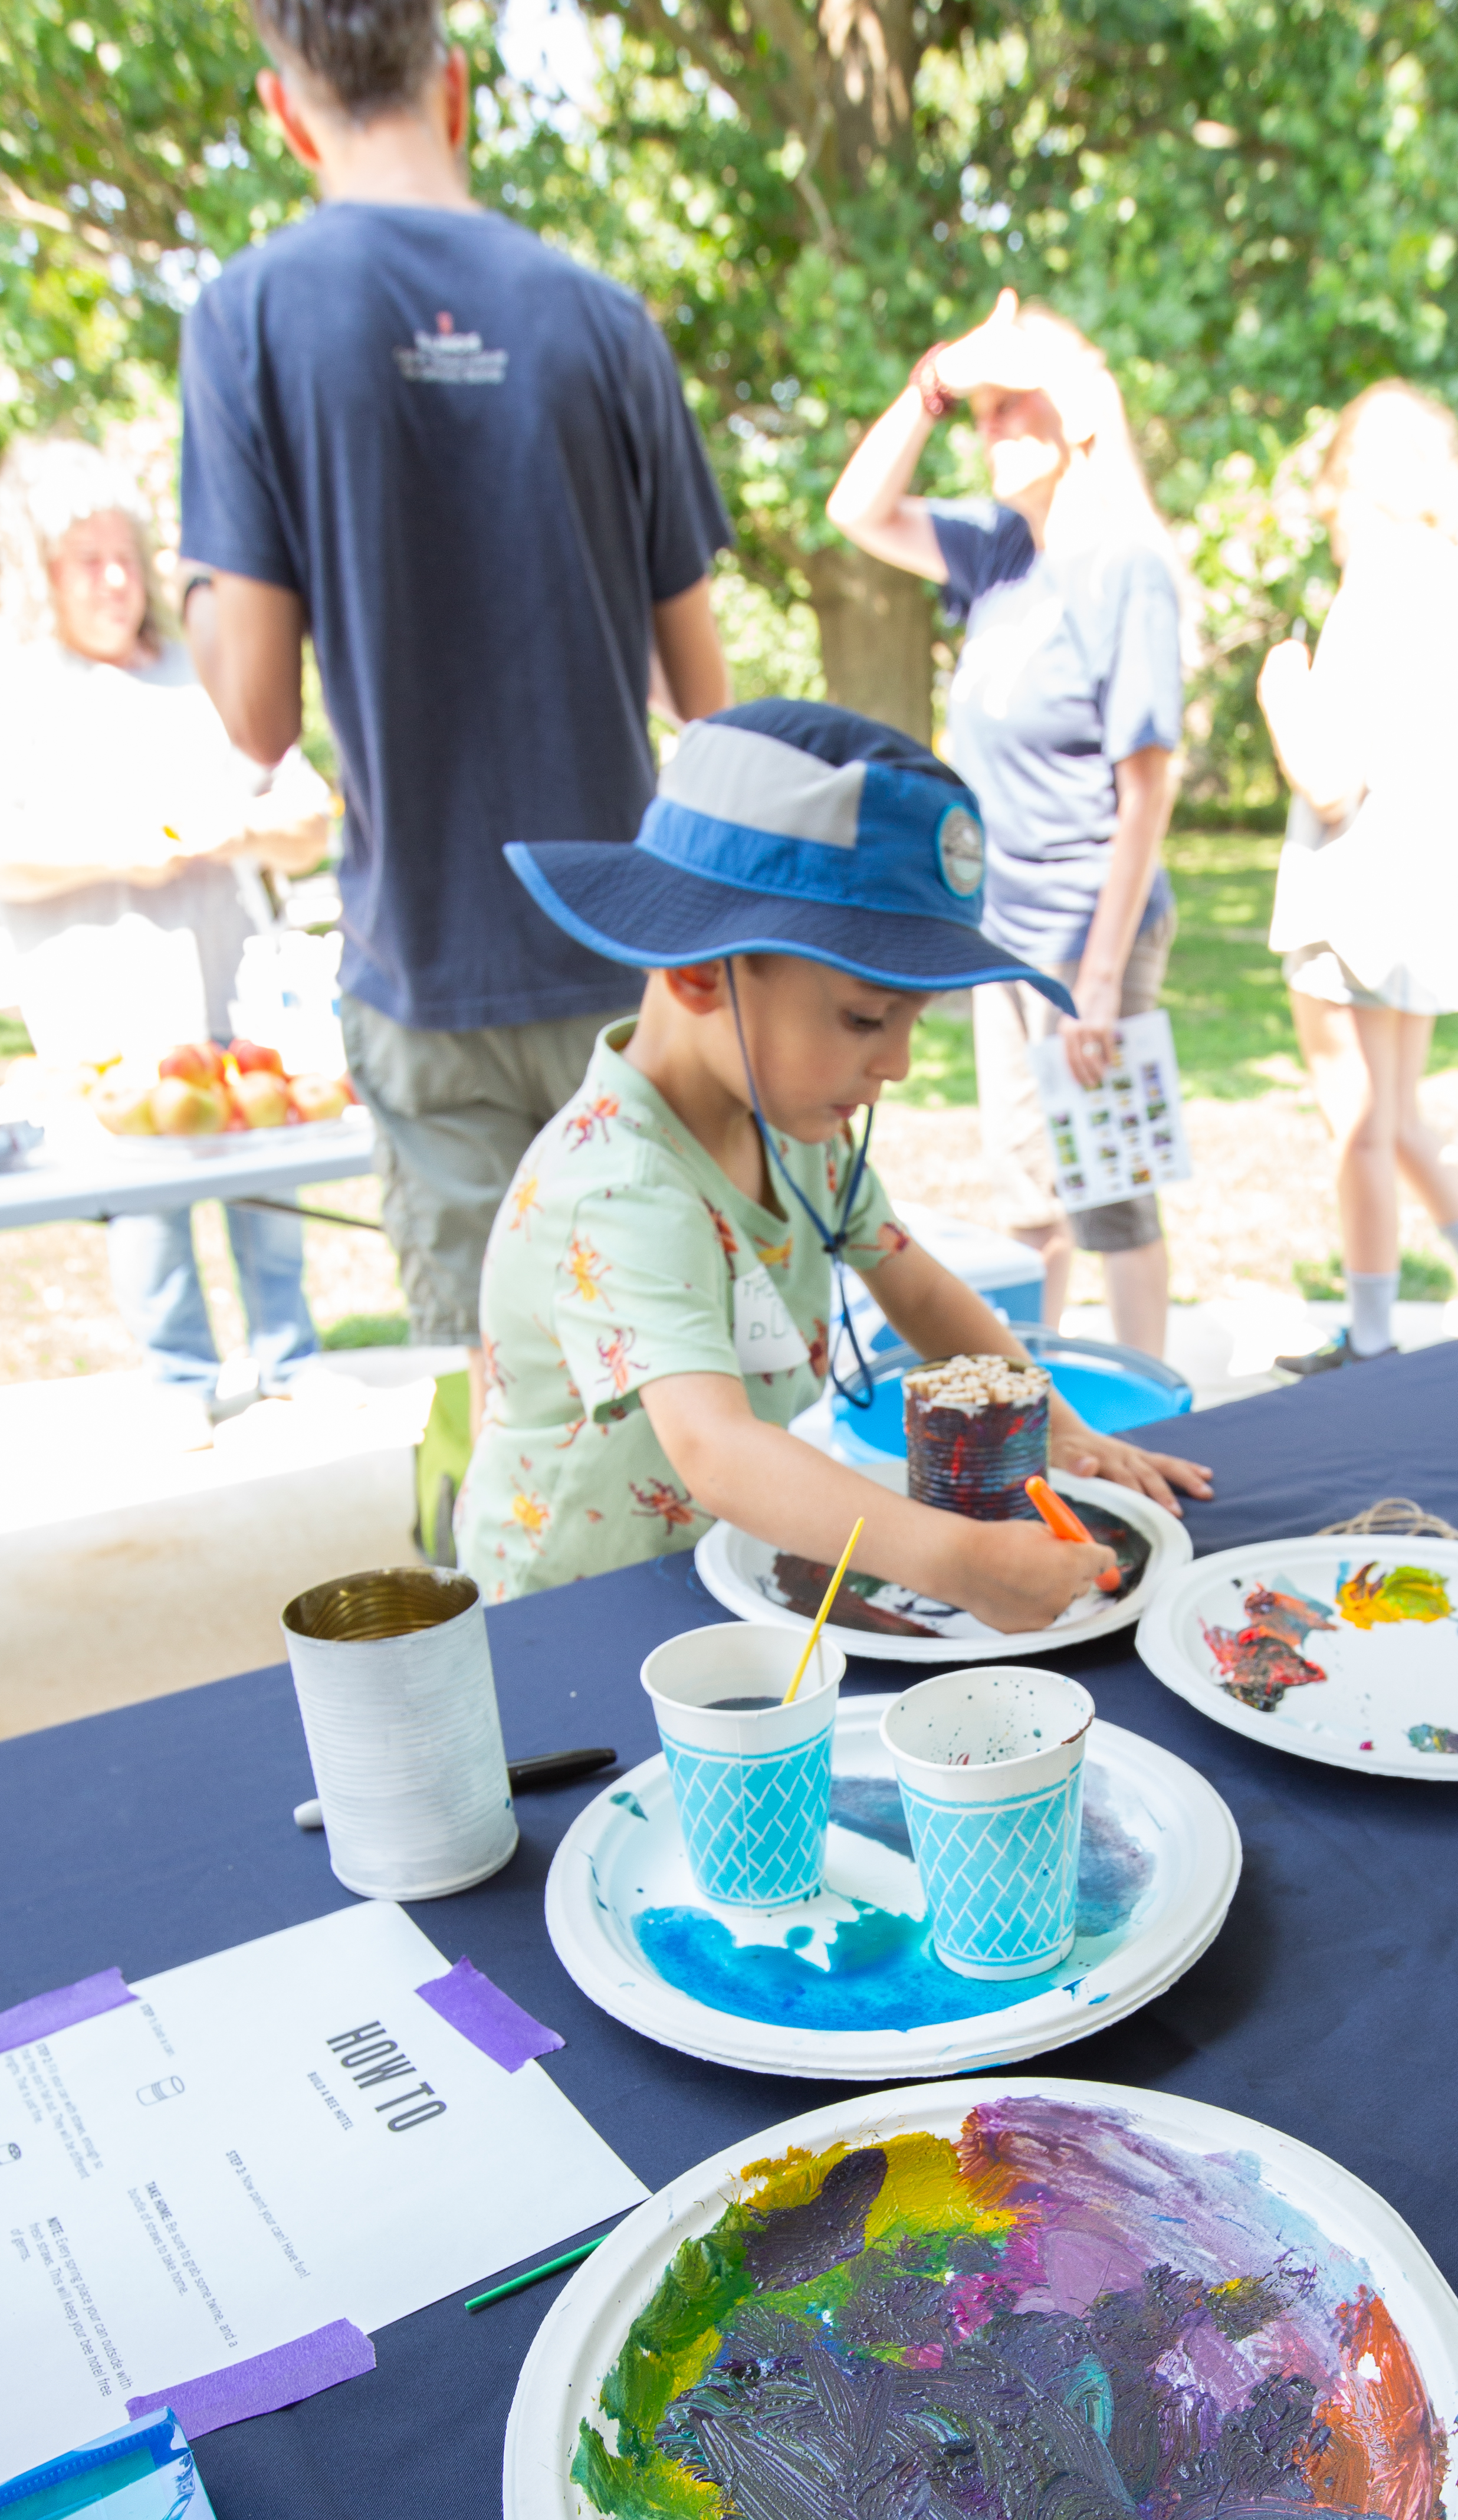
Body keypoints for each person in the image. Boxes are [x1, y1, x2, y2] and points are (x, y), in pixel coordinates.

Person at [176, 0, 734, 1404]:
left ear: (287, 109)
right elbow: (703, 701)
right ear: (458, 88)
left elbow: (252, 715)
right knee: (680, 1388)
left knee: (496, 1410)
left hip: (428, 968)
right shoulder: (603, 321)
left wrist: (198, 598)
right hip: (629, 955)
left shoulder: (250, 316)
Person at [456, 698, 1210, 1612]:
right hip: (573, 1599)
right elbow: (717, 1450)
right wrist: (952, 1561)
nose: (895, 1063)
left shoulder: (793, 1124)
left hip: (712, 1554)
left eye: (912, 1023)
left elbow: (918, 1287)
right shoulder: (619, 1188)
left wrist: (1058, 1430)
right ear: (700, 970)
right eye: (864, 1018)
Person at [826, 291, 1185, 1356]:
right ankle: (1046, 1405)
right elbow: (858, 510)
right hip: (1001, 928)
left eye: (1010, 404)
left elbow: (1149, 787)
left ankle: (1152, 1401)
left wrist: (1105, 977)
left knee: (1110, 1191)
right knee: (1027, 1194)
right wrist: (935, 380)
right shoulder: (998, 554)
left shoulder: (1123, 566)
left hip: (1089, 927)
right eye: (977, 412)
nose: (989, 429)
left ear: (1076, 417)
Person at [0, 441, 332, 1433]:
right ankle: (182, 1385)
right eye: (83, 561)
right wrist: (121, 853)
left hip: (241, 992)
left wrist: (243, 832)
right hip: (110, 1018)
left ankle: (291, 1366)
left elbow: (308, 820)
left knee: (269, 1187)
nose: (112, 580)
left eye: (121, 555)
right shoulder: (25, 692)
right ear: (39, 571)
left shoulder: (206, 675)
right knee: (148, 1215)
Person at [1256, 382, 1458, 1373]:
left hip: (1354, 906)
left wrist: (1282, 689)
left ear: (1352, 483)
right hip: (1424, 907)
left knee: (1359, 1128)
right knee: (1400, 1115)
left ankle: (1372, 1339)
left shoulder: (1380, 586)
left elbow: (1332, 781)